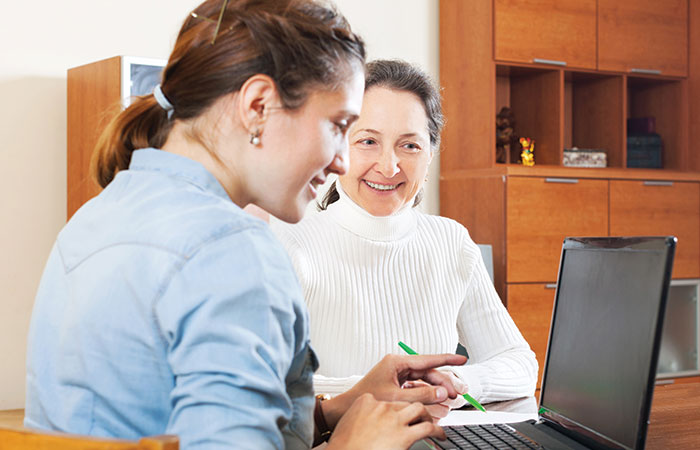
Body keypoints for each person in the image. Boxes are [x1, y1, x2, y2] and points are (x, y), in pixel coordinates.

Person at [24, 3, 468, 449]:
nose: (341, 161)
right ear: (258, 106)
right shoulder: (232, 251)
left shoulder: (97, 216)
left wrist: (343, 406)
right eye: (338, 126)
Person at [271, 60, 539, 412]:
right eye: (368, 141)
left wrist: (453, 384)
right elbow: (267, 387)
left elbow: (518, 362)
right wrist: (388, 389)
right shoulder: (291, 245)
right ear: (337, 147)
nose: (388, 166)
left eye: (409, 146)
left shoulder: (451, 242)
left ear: (430, 155)